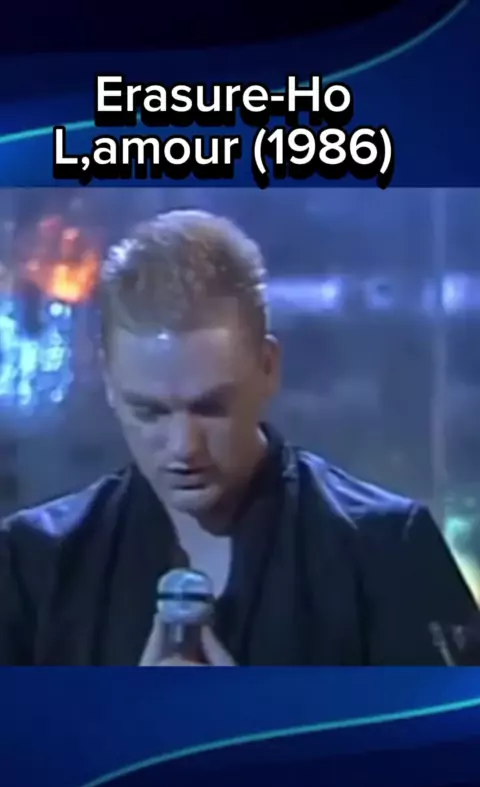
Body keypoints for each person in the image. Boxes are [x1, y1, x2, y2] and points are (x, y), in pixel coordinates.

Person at [0, 209, 478, 666]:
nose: (184, 446)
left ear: (268, 368)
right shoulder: (35, 565)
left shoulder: (385, 552)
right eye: (150, 412)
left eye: (210, 407)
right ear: (108, 380)